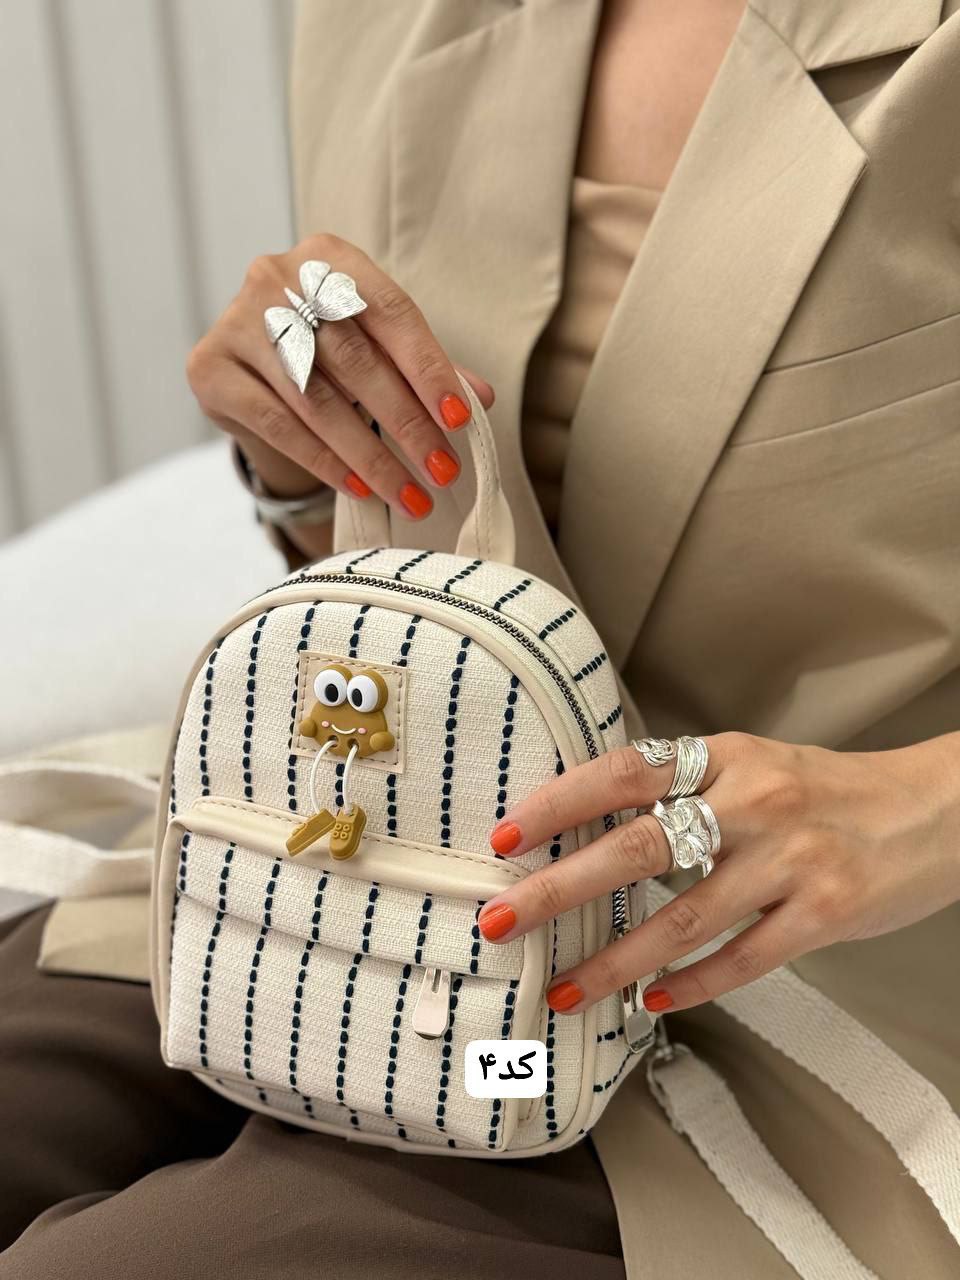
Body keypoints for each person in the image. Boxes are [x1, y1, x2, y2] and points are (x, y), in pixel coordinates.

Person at [3, 1, 959, 1276]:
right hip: (347, 872)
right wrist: (297, 449)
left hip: (784, 973)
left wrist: (925, 807)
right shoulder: (382, 19)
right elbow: (404, 598)